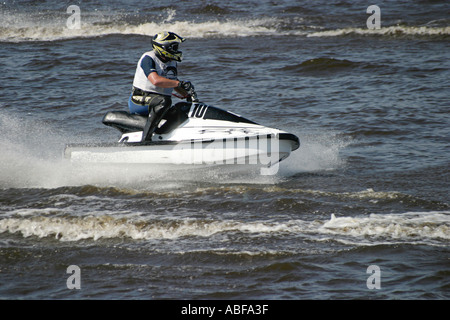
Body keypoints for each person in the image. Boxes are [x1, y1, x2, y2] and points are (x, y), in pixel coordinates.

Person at [128, 31, 196, 141]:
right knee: (163, 101)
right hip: (139, 100)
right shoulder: (148, 58)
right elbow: (156, 81)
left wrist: (187, 94)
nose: (176, 50)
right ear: (164, 48)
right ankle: (146, 139)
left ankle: (162, 135)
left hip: (159, 102)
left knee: (183, 109)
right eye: (174, 47)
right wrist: (179, 83)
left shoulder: (171, 62)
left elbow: (171, 81)